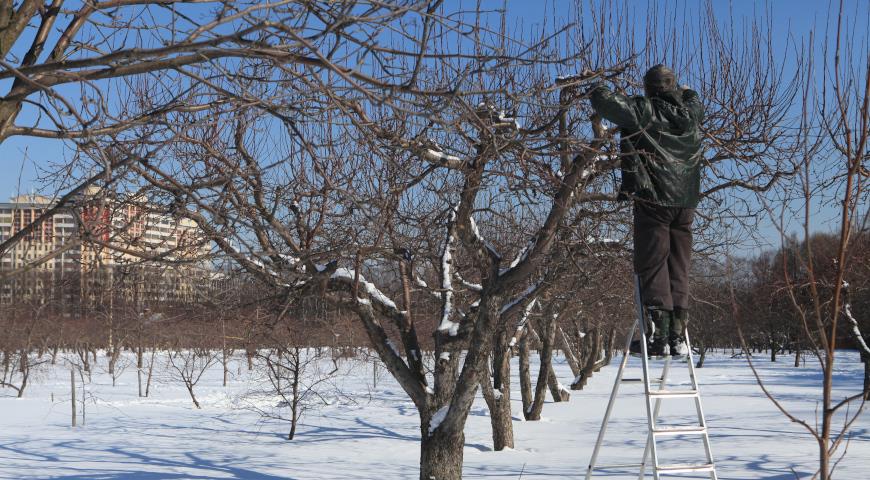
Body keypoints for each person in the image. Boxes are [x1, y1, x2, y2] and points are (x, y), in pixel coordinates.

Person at [588, 64, 704, 357]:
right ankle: (679, 334)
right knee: (679, 266)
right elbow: (694, 101)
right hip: (686, 202)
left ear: (650, 89)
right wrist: (688, 93)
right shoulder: (690, 114)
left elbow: (606, 103)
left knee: (653, 264)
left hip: (654, 199)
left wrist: (596, 84)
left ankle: (658, 336)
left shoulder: (645, 110)